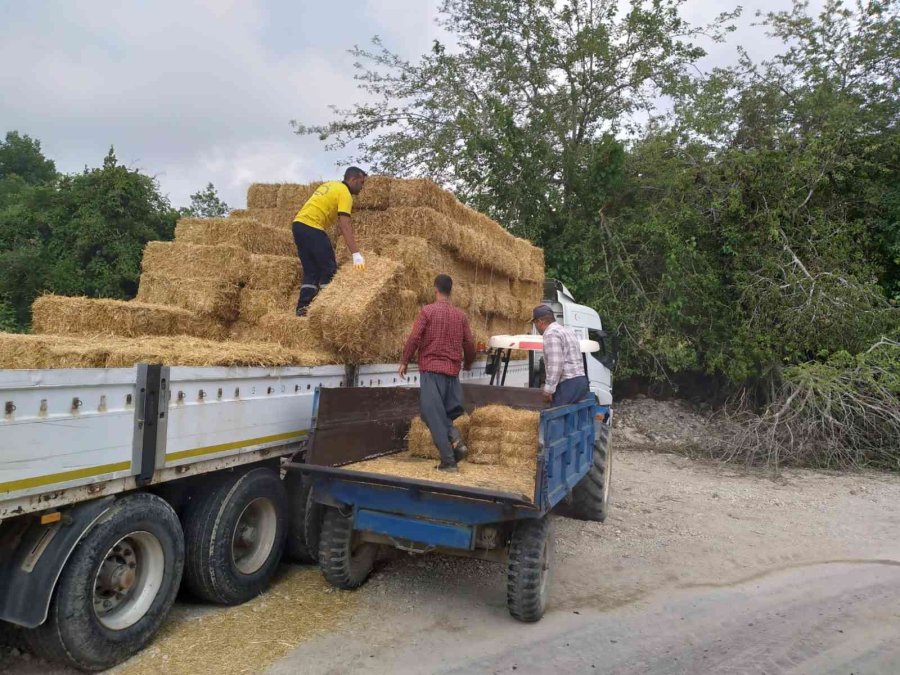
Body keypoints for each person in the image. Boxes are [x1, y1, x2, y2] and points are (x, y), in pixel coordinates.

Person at [400, 274, 476, 472]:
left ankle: (449, 461)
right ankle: (454, 439)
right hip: (452, 373)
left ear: (435, 289)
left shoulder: (427, 311)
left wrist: (404, 361)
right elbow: (469, 343)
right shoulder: (460, 315)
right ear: (450, 291)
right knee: (442, 414)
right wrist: (468, 363)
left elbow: (415, 337)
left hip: (432, 370)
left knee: (431, 414)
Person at [292, 167, 368, 316]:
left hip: (298, 225)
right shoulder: (345, 193)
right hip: (312, 226)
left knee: (311, 271)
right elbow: (344, 225)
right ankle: (326, 309)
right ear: (353, 179)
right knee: (329, 269)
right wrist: (356, 254)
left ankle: (303, 308)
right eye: (361, 182)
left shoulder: (330, 185)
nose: (362, 186)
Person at [532, 304, 589, 406]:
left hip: (568, 385)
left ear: (540, 322)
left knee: (556, 419)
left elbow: (556, 363)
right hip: (581, 381)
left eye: (534, 323)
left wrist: (548, 389)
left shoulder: (551, 334)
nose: (535, 327)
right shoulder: (567, 331)